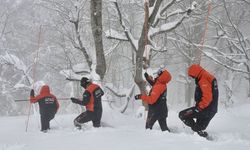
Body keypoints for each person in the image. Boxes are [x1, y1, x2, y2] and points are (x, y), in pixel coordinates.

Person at [179, 64, 218, 137]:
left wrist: (199, 108)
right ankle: (201, 136)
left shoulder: (203, 80)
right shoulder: (207, 76)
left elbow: (207, 97)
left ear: (195, 73)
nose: (193, 78)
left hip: (204, 109)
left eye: (192, 76)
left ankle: (199, 132)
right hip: (210, 109)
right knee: (198, 129)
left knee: (182, 115)